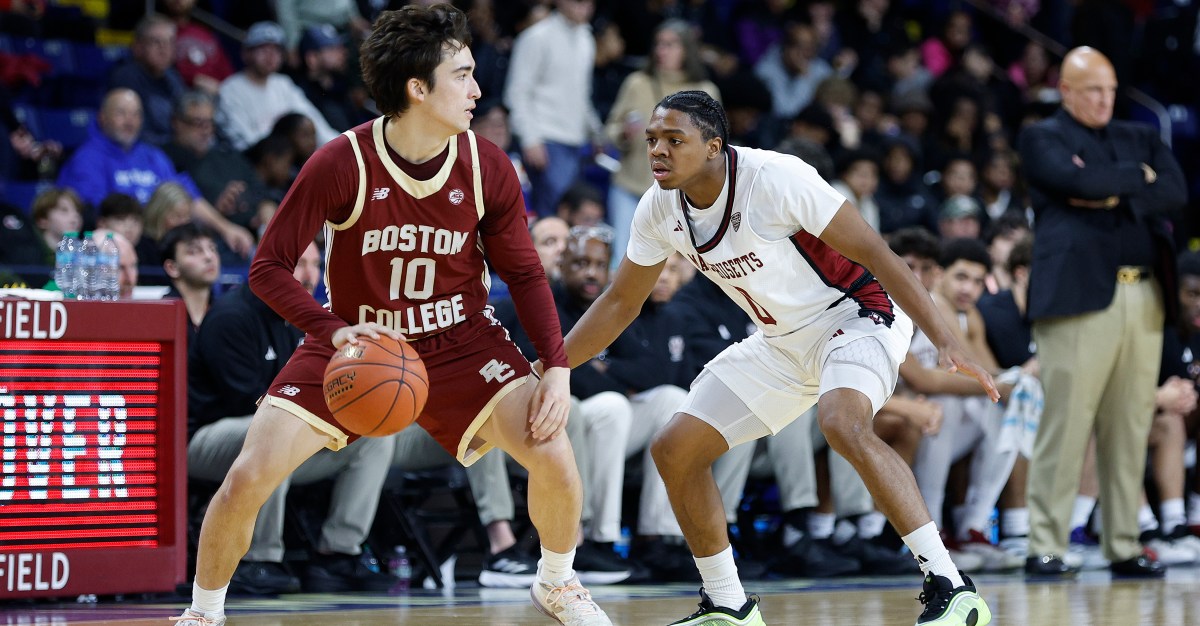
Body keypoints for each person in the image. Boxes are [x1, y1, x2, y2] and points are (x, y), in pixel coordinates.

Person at [171, 6, 611, 626]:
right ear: (417, 88)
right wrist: (329, 329)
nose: (478, 90)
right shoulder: (340, 162)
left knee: (552, 448)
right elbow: (267, 267)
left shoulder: (486, 165)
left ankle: (557, 582)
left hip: (462, 341)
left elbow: (526, 273)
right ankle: (203, 614)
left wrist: (557, 366)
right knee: (249, 473)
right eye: (462, 75)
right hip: (359, 343)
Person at [554, 90, 996, 626]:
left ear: (714, 146)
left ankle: (952, 586)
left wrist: (944, 336)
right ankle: (729, 606)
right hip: (780, 341)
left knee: (841, 422)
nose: (658, 152)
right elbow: (621, 302)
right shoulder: (658, 208)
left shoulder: (776, 177)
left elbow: (877, 252)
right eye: (652, 140)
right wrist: (550, 369)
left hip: (855, 313)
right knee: (674, 449)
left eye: (675, 140)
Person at [1017, 46, 1187, 579]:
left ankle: (1123, 541)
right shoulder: (1042, 136)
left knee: (1131, 421)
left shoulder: (1138, 136)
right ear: (1066, 90)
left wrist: (1109, 187)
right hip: (1075, 298)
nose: (1104, 99)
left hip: (1146, 295)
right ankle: (1045, 543)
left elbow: (1176, 192)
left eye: (1111, 89)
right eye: (1093, 89)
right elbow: (1076, 184)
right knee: (1067, 420)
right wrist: (1134, 181)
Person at [187, 241, 396, 594]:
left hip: (266, 439)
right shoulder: (232, 317)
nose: (309, 274)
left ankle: (338, 553)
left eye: (316, 264)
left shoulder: (300, 319)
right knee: (275, 430)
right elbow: (252, 403)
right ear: (271, 268)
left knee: (372, 437)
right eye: (299, 263)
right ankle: (257, 559)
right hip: (205, 441)